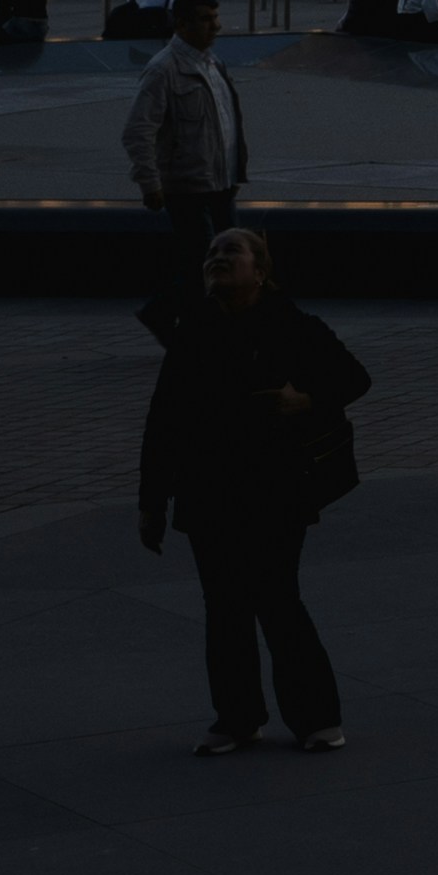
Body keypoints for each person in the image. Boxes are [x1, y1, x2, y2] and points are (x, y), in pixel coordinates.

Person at [135, 228, 372, 754]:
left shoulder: (293, 326)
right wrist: (152, 502)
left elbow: (355, 378)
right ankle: (237, 718)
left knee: (276, 598)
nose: (217, 260)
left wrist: (307, 399)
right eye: (211, 254)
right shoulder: (193, 333)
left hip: (274, 487)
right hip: (207, 489)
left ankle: (314, 717)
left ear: (260, 272)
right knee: (224, 606)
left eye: (231, 253)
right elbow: (164, 422)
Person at [118, 0, 247, 294]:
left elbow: (227, 124)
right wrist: (150, 183)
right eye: (206, 19)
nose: (216, 26)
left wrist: (234, 170)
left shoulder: (214, 63)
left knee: (227, 265)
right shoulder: (163, 69)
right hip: (188, 189)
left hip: (222, 186)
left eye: (215, 18)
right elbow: (137, 130)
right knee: (204, 267)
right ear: (181, 24)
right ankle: (190, 325)